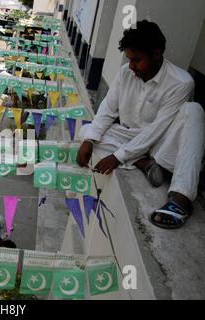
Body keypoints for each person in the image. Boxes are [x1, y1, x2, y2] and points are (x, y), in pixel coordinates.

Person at [77, 20, 205, 230]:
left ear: (156, 54)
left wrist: (118, 157)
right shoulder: (125, 73)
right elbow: (108, 110)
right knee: (86, 131)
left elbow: (158, 129)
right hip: (127, 135)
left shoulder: (181, 82)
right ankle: (143, 163)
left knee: (194, 111)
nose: (131, 66)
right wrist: (90, 139)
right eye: (129, 59)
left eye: (136, 60)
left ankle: (180, 199)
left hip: (160, 141)